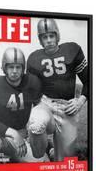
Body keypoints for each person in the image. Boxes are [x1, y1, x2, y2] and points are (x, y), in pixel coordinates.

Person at [27, 18, 88, 161]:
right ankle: (42, 152)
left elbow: (89, 80)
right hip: (45, 104)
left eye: (51, 36)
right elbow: (31, 91)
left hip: (67, 107)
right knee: (36, 124)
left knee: (65, 161)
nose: (48, 40)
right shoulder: (34, 58)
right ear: (40, 39)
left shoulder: (72, 50)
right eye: (44, 37)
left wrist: (80, 101)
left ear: (57, 35)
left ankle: (55, 150)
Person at [0, 47, 49, 163]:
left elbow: (40, 109)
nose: (14, 71)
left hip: (22, 137)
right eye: (10, 67)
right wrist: (13, 133)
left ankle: (49, 148)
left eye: (18, 67)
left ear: (23, 68)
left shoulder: (32, 82)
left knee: (42, 164)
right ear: (4, 67)